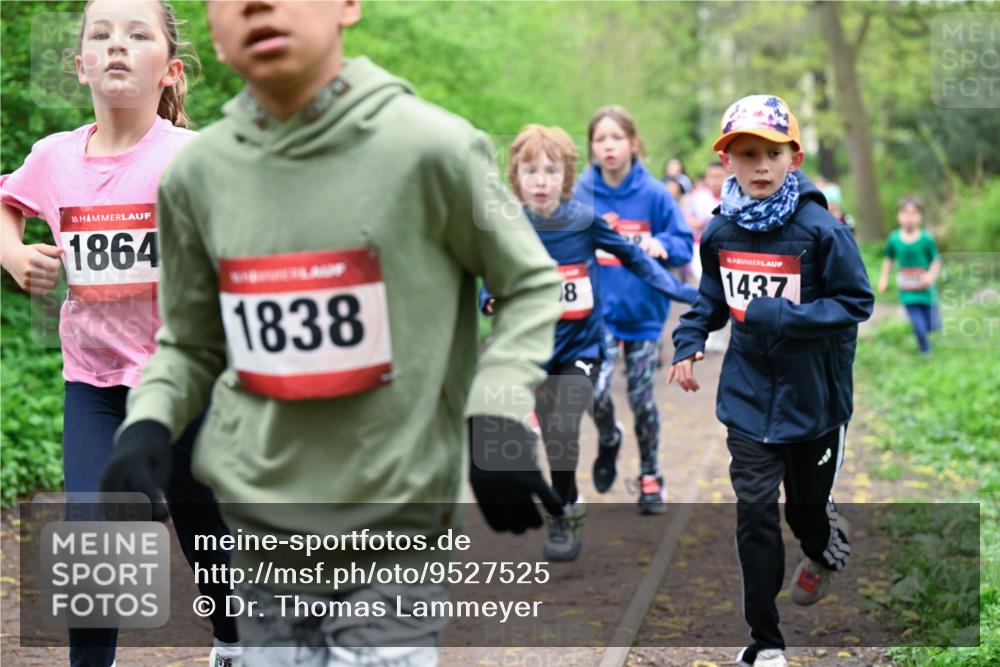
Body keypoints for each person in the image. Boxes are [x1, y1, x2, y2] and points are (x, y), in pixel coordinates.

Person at [98, 1, 564, 665]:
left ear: (348, 6)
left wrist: (495, 411)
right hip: (260, 538)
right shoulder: (197, 177)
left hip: (394, 534)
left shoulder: (436, 148)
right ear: (215, 32)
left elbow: (530, 283)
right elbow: (192, 342)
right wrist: (147, 424)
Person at [0, 2, 239, 666]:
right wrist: (14, 254)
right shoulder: (53, 159)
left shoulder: (193, 158)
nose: (117, 45)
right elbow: (5, 204)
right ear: (80, 66)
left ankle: (234, 639)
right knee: (91, 535)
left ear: (170, 70)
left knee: (204, 527)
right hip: (96, 381)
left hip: (186, 381)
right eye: (100, 35)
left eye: (138, 36)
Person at [668, 95, 873, 667]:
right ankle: (765, 642)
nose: (759, 164)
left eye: (771, 153)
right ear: (728, 162)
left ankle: (822, 545)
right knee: (754, 513)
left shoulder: (822, 230)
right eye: (746, 153)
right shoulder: (721, 232)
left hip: (815, 401)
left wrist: (783, 317)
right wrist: (688, 341)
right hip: (749, 398)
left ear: (794, 157)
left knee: (802, 514)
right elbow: (711, 298)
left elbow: (857, 302)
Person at [481, 125, 697, 559]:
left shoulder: (582, 219)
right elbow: (485, 270)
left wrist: (691, 295)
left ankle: (562, 515)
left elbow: (634, 258)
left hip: (581, 346)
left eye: (551, 171)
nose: (540, 180)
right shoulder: (506, 223)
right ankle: (566, 501)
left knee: (561, 423)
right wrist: (488, 299)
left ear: (565, 177)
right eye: (530, 171)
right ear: (515, 177)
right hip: (532, 348)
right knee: (532, 435)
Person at [574, 105, 694, 514]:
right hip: (597, 313)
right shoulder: (581, 192)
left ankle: (649, 474)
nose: (608, 146)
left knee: (642, 398)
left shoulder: (654, 194)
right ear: (591, 147)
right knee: (595, 389)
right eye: (600, 139)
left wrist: (663, 245)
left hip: (644, 314)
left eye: (616, 138)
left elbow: (682, 241)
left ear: (633, 143)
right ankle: (609, 437)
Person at [878, 195, 942, 354]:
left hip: (926, 290)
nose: (909, 218)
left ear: (920, 216)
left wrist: (930, 276)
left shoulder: (926, 239)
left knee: (933, 325)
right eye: (905, 213)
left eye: (913, 213)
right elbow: (888, 259)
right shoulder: (894, 239)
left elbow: (936, 260)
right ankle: (925, 351)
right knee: (918, 324)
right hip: (907, 291)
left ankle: (927, 333)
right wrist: (883, 278)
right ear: (898, 216)